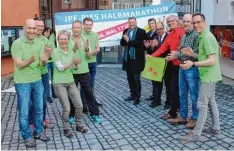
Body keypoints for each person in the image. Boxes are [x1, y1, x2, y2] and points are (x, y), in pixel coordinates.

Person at [180, 13, 222, 142]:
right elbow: (204, 56)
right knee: (211, 102)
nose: (195, 25)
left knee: (202, 105)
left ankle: (196, 134)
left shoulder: (207, 37)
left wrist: (193, 63)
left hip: (208, 76)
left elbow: (212, 60)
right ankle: (215, 128)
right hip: (210, 75)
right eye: (194, 23)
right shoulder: (202, 36)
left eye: (198, 22)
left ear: (204, 22)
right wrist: (192, 54)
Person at [11, 19, 50, 148]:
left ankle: (38, 132)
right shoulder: (17, 43)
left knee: (39, 109)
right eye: (29, 28)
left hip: (37, 80)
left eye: (34, 28)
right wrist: (31, 58)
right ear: (24, 28)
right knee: (24, 112)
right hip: (23, 83)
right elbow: (20, 64)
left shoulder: (39, 43)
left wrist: (44, 59)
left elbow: (41, 64)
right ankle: (27, 136)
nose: (32, 31)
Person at [52, 30, 88, 138]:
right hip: (59, 83)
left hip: (70, 81)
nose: (63, 41)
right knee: (67, 108)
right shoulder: (55, 52)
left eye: (65, 39)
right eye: (61, 39)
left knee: (79, 105)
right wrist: (72, 63)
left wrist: (75, 66)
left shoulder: (71, 52)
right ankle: (66, 128)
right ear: (58, 40)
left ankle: (79, 125)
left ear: (68, 40)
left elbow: (72, 68)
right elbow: (60, 68)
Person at [148, 15, 185, 119]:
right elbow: (162, 48)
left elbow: (186, 48)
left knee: (180, 91)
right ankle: (174, 111)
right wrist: (151, 56)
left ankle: (179, 112)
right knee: (174, 89)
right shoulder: (170, 34)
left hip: (182, 65)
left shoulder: (181, 32)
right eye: (168, 21)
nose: (170, 23)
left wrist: (177, 53)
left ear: (177, 21)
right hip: (174, 66)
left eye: (172, 21)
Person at [167, 14, 199, 129]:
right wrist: (176, 55)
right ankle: (183, 116)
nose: (185, 23)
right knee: (182, 94)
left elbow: (196, 55)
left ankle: (195, 119)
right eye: (184, 21)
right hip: (182, 67)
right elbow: (182, 51)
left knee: (194, 96)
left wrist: (177, 54)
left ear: (192, 23)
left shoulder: (196, 36)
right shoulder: (185, 35)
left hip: (192, 69)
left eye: (188, 21)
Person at [69, 20, 102, 124]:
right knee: (72, 95)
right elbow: (65, 56)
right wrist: (75, 48)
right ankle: (71, 115)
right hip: (72, 72)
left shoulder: (85, 39)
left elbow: (88, 56)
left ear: (80, 28)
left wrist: (87, 49)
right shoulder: (67, 39)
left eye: (78, 28)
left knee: (89, 93)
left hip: (84, 71)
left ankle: (95, 114)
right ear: (72, 28)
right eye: (74, 27)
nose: (76, 29)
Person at [145, 21, 172, 109]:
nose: (159, 31)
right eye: (157, 29)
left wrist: (158, 45)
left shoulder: (169, 36)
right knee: (156, 83)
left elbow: (168, 49)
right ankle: (157, 101)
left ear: (164, 28)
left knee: (168, 84)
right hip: (156, 63)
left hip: (167, 64)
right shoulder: (155, 37)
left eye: (161, 29)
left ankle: (168, 102)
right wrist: (150, 47)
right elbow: (152, 52)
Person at [120, 17, 147, 105]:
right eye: (130, 22)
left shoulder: (141, 31)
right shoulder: (125, 31)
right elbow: (122, 43)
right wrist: (124, 39)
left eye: (132, 22)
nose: (131, 24)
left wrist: (129, 41)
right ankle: (132, 95)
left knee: (136, 78)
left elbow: (140, 44)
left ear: (135, 22)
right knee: (130, 78)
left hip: (137, 59)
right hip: (128, 59)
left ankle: (137, 97)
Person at [34, 18, 54, 129]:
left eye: (42, 26)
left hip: (44, 72)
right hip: (33, 73)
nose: (40, 28)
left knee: (44, 97)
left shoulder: (45, 40)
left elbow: (50, 57)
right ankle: (33, 122)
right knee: (34, 100)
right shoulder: (31, 39)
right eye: (38, 25)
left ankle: (43, 120)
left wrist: (49, 54)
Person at [82, 17, 102, 106]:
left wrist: (97, 49)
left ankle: (92, 101)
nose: (88, 26)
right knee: (84, 85)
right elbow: (83, 51)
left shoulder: (94, 34)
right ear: (83, 25)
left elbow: (97, 45)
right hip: (84, 63)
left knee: (92, 83)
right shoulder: (80, 35)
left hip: (93, 62)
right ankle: (84, 104)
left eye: (90, 25)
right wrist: (93, 52)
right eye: (87, 25)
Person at [43, 27, 57, 99]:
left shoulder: (52, 37)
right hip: (46, 62)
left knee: (54, 78)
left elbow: (56, 30)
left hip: (53, 61)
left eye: (48, 32)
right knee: (47, 79)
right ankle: (48, 95)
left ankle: (54, 93)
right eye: (46, 32)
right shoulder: (42, 40)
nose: (47, 33)